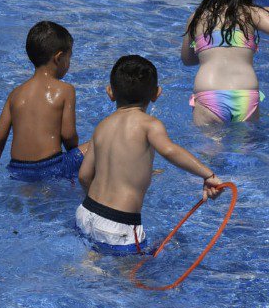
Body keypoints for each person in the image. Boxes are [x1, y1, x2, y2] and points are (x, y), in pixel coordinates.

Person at [77, 55, 225, 255]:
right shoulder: (149, 125)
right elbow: (170, 150)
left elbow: (84, 176)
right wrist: (207, 174)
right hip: (119, 224)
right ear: (156, 94)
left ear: (110, 92)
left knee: (95, 256)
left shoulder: (102, 126)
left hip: (86, 213)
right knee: (132, 277)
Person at [0, 21, 89, 180]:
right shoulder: (65, 90)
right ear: (59, 58)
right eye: (69, 57)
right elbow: (68, 134)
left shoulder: (15, 94)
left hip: (17, 170)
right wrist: (74, 157)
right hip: (52, 167)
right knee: (99, 144)